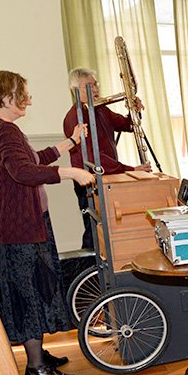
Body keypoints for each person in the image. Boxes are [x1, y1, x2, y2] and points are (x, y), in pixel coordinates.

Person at [0, 70, 95, 375]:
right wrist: (70, 173)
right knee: (29, 293)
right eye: (22, 94)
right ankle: (36, 367)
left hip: (24, 223)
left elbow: (33, 159)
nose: (28, 100)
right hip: (21, 227)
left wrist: (70, 142)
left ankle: (39, 356)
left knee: (37, 287)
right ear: (5, 97)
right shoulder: (4, 132)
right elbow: (25, 172)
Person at [63, 68, 151, 249]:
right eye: (90, 86)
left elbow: (127, 125)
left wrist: (133, 112)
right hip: (88, 183)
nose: (95, 90)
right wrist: (130, 169)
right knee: (93, 230)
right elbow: (94, 157)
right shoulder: (73, 118)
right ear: (75, 90)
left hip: (107, 179)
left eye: (96, 85)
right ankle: (87, 273)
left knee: (108, 227)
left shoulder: (101, 109)